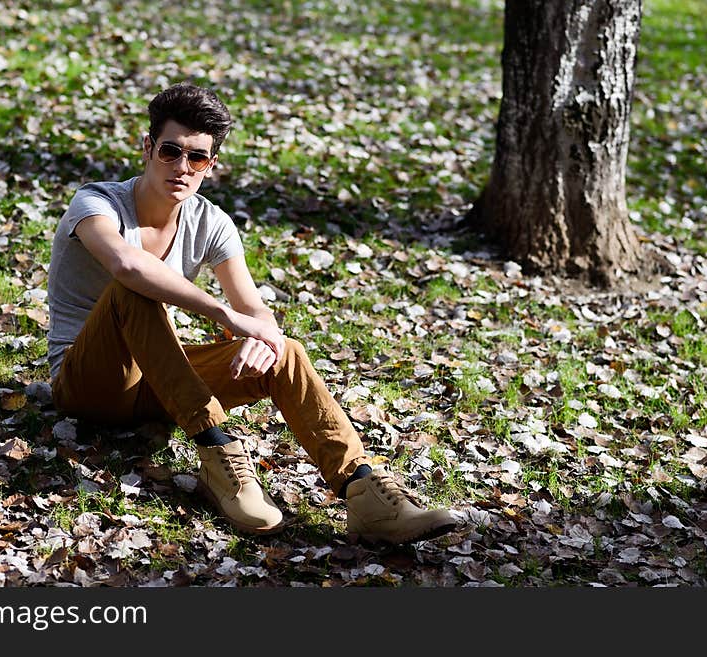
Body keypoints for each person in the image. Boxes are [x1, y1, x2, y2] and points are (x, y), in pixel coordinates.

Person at [46, 82, 458, 544]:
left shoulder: (210, 221)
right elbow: (126, 264)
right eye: (170, 151)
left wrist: (261, 338)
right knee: (132, 291)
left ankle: (366, 495)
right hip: (88, 382)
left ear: (211, 165)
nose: (182, 167)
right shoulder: (96, 202)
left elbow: (256, 310)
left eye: (197, 157)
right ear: (147, 148)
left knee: (286, 352)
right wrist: (225, 318)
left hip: (159, 382)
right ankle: (218, 450)